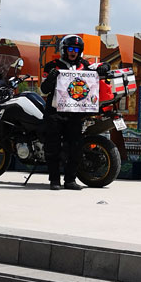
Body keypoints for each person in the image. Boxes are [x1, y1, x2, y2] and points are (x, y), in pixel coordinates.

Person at [40, 34, 99, 190]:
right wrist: (50, 78)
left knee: (75, 147)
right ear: (64, 50)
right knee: (53, 147)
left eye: (76, 50)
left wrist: (104, 68)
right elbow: (43, 90)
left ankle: (70, 180)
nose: (73, 52)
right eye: (70, 49)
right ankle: (54, 180)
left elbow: (98, 69)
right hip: (55, 112)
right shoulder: (52, 66)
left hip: (75, 114)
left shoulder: (85, 65)